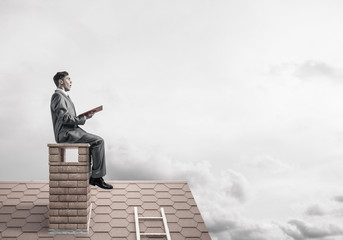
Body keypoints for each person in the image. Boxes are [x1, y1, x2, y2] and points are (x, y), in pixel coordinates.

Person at [50, 71, 113, 190]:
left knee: (94, 142)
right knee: (98, 141)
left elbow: (67, 117)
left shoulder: (64, 97)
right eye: (68, 79)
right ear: (61, 81)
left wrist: (85, 117)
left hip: (73, 131)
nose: (71, 81)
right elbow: (64, 118)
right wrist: (82, 118)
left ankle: (93, 175)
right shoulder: (58, 96)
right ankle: (96, 177)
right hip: (66, 134)